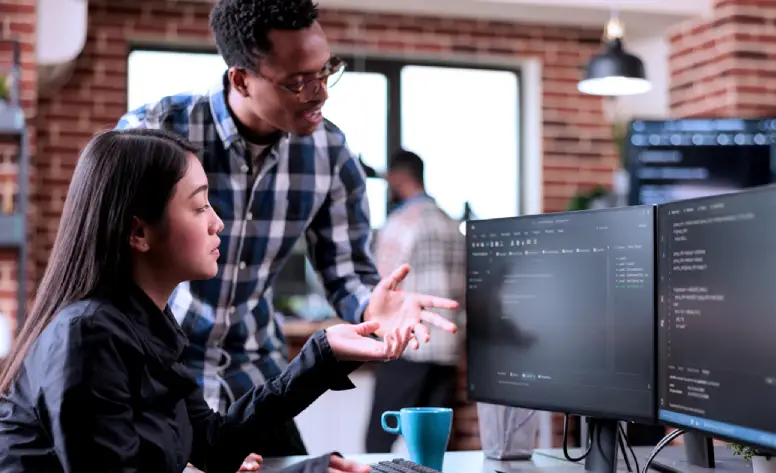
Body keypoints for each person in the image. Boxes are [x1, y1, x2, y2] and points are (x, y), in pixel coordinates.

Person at [115, 0, 458, 458]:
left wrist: (372, 304)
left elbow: (346, 270)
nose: (320, 93)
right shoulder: (158, 131)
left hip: (255, 376)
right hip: (161, 374)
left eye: (326, 71)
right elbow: (112, 268)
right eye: (298, 81)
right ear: (241, 79)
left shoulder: (330, 152)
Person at [0, 129, 443, 473]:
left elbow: (214, 443)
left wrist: (323, 354)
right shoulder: (87, 336)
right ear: (138, 232)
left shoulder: (145, 325)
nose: (219, 223)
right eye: (199, 207)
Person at [365, 150, 467, 453]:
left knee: (378, 440)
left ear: (399, 177)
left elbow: (381, 284)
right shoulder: (450, 223)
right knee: (431, 445)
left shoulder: (401, 223)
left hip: (409, 346)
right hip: (448, 346)